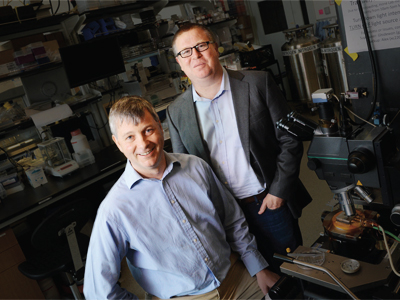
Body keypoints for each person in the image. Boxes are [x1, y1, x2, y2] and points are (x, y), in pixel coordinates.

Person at [83, 96, 280, 299]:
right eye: (130, 137)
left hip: (236, 278)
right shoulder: (114, 209)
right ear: (118, 143)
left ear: (160, 126)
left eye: (147, 130)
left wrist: (258, 268)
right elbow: (98, 290)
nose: (143, 144)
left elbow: (231, 220)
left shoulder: (195, 166)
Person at [166, 23, 312, 272]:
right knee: (252, 279)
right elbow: (185, 172)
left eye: (201, 46)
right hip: (223, 217)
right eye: (186, 52)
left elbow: (290, 139)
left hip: (267, 203)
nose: (195, 56)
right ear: (179, 62)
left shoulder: (257, 83)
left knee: (290, 274)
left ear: (215, 47)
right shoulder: (176, 111)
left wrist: (278, 191)